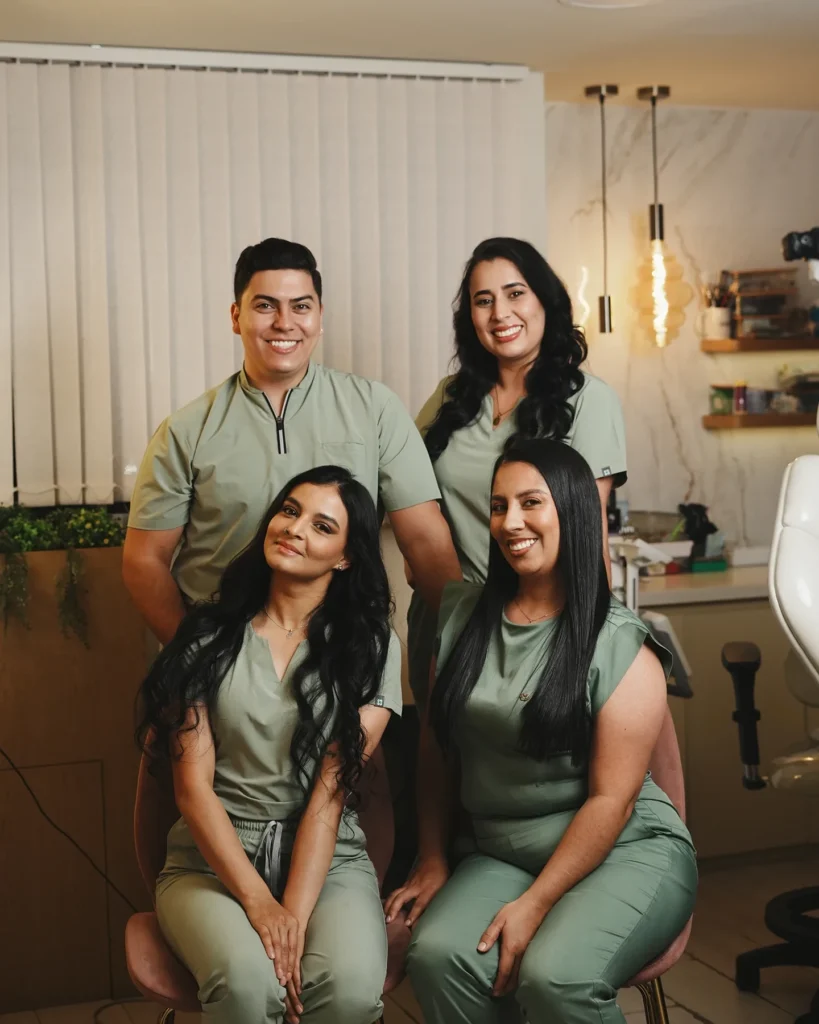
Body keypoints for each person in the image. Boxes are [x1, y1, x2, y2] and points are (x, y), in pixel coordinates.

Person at [386, 440, 697, 1024]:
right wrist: (431, 856)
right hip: (499, 853)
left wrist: (535, 903)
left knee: (558, 977)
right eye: (499, 506)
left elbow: (612, 802)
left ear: (573, 511)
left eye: (531, 503)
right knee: (438, 955)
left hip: (625, 851)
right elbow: (435, 749)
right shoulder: (459, 616)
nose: (510, 522)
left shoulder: (619, 642)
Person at [138, 466, 401, 1024]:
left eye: (322, 526)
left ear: (346, 557)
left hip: (330, 862)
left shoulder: (372, 647)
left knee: (349, 992)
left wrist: (293, 921)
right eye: (289, 510)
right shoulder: (206, 638)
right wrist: (260, 905)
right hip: (212, 864)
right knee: (248, 985)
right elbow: (192, 792)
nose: (295, 529)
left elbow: (330, 795)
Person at [124, 236, 459, 645]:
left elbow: (424, 540)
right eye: (266, 306)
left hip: (342, 645)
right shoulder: (186, 430)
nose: (285, 322)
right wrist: (193, 659)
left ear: (319, 316)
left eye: (300, 306)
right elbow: (144, 560)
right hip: (226, 643)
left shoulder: (375, 409)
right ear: (236, 316)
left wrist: (462, 643)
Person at [407, 236, 626, 708]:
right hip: (443, 621)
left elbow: (590, 537)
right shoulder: (449, 398)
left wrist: (597, 645)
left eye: (515, 293)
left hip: (535, 630)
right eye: (483, 300)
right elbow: (407, 498)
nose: (500, 313)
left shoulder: (588, 400)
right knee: (436, 752)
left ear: (545, 300)